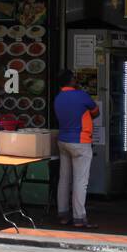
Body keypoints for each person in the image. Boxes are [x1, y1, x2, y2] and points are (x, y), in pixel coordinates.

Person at [54, 68, 100, 229]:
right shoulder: (81, 95)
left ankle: (63, 214)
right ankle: (79, 217)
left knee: (64, 178)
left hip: (63, 141)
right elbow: (96, 111)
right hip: (80, 142)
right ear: (72, 80)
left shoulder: (58, 98)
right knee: (80, 181)